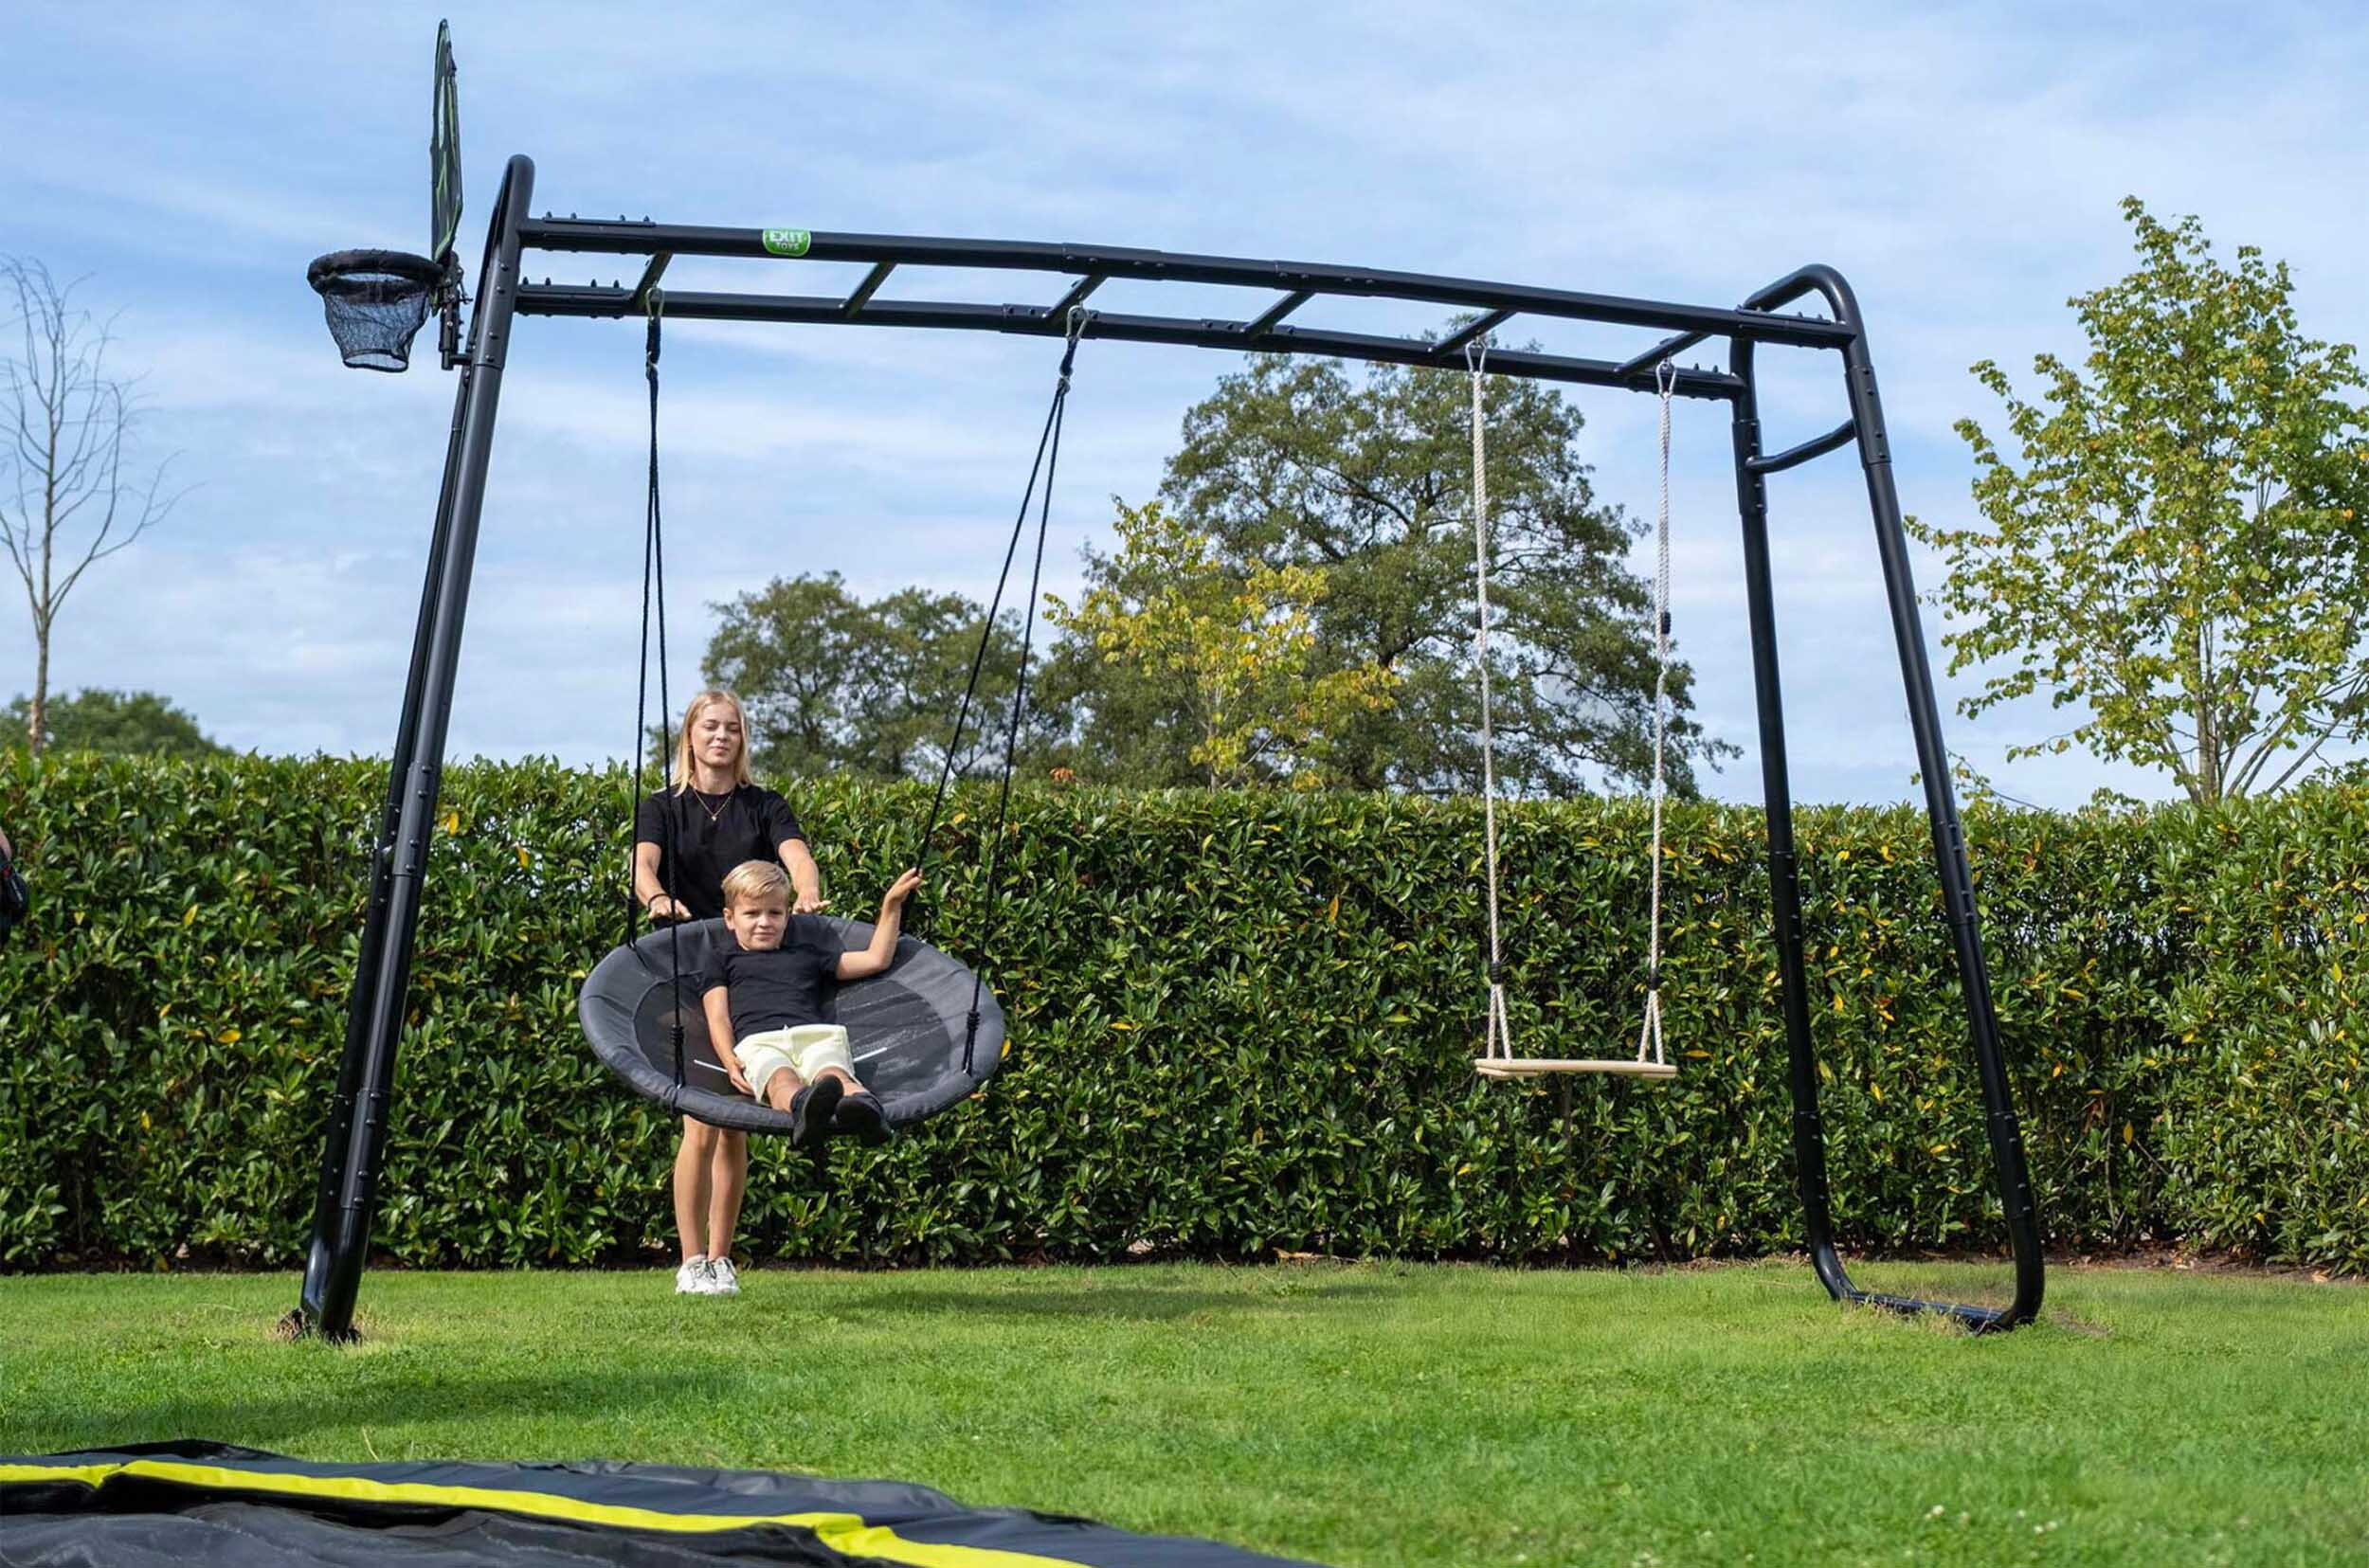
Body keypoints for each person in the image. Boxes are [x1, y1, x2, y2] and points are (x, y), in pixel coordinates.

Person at [633, 690, 823, 1299]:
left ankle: (722, 1259)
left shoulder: (763, 805)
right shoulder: (662, 806)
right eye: (710, 726)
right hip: (688, 970)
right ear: (690, 735)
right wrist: (657, 897)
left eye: (733, 728)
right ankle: (691, 1260)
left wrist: (808, 888)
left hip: (746, 979)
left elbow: (797, 856)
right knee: (701, 1120)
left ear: (743, 739)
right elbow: (642, 866)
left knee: (735, 1125)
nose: (721, 737)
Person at [701, 859, 920, 1149]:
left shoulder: (807, 954)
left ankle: (864, 1111)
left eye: (774, 913)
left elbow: (875, 959)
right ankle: (804, 1108)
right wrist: (729, 1060)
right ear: (730, 918)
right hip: (759, 1042)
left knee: (834, 1075)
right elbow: (718, 1017)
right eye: (752, 913)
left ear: (787, 916)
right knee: (780, 1079)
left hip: (814, 1035)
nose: (764, 922)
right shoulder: (721, 960)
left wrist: (891, 905)